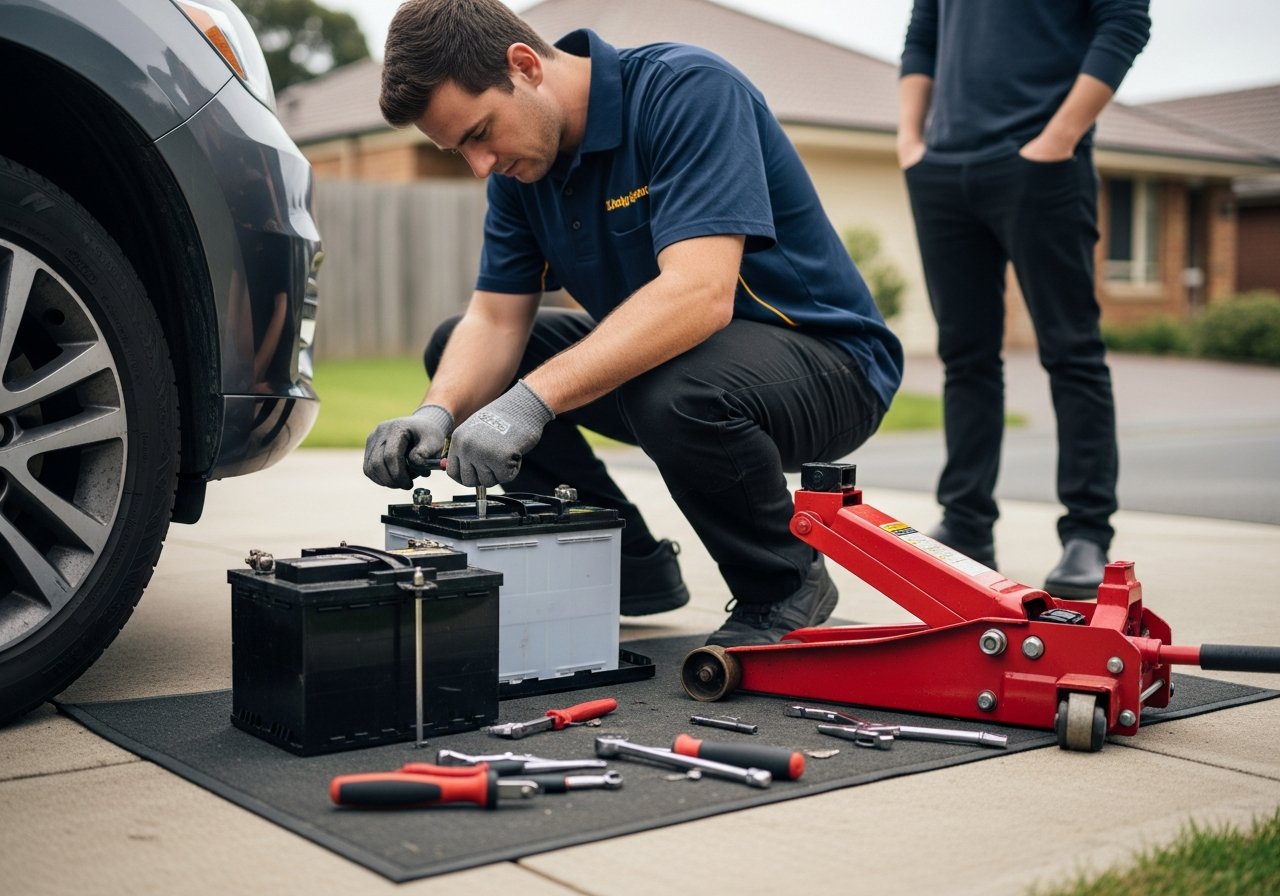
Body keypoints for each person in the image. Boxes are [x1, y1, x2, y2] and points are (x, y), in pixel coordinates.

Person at [361, 0, 903, 647]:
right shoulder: (521, 172)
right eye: (459, 151)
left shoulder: (685, 92)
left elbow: (699, 295)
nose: (479, 165)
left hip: (831, 366)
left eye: (479, 133)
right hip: (685, 367)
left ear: (525, 65)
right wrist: (438, 413)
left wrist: (529, 403)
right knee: (459, 351)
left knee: (671, 389)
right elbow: (495, 320)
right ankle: (628, 571)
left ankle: (783, 585)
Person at [897, 0, 1150, 598]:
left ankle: (1087, 535)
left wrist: (1059, 137)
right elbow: (922, 35)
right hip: (942, 170)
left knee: (1072, 352)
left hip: (1042, 164)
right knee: (966, 357)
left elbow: (1125, 23)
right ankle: (965, 522)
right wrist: (912, 140)